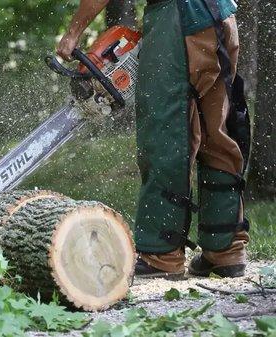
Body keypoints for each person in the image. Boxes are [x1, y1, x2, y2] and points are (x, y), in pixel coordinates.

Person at [57, 0, 249, 278]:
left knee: (164, 133)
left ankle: (162, 254)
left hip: (178, 17)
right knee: (215, 132)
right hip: (220, 17)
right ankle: (225, 249)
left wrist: (73, 33)